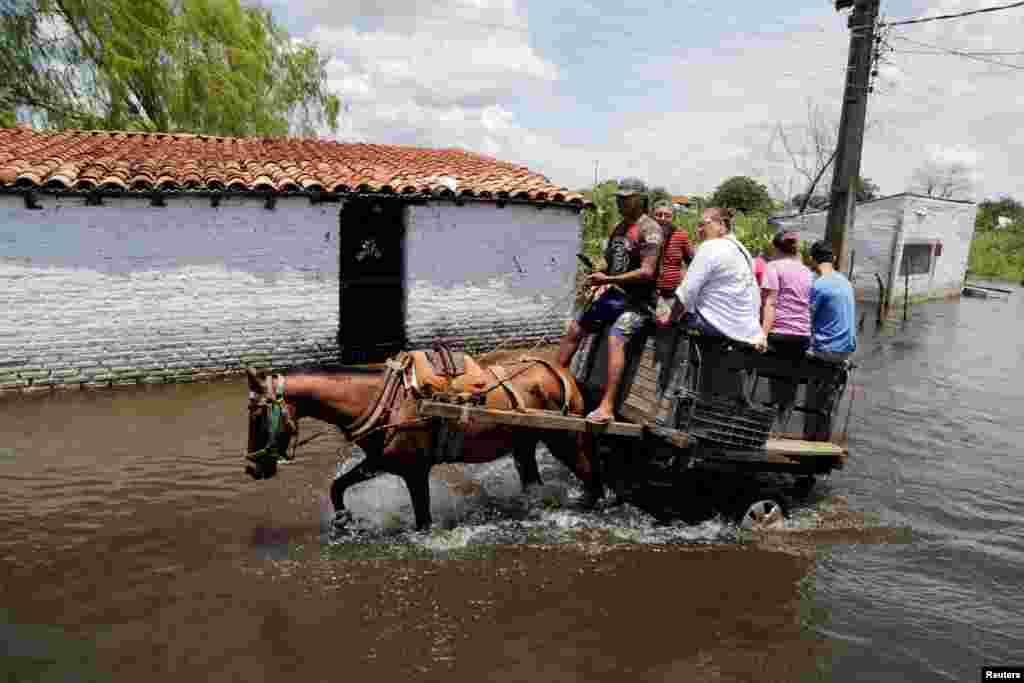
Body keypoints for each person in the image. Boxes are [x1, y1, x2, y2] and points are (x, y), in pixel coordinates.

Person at [558, 177, 664, 423]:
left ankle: (607, 406)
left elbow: (647, 271)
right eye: (619, 197)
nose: (620, 201)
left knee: (617, 337)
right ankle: (556, 378)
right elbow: (609, 259)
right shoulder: (619, 228)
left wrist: (605, 281)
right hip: (615, 296)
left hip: (640, 303)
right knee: (575, 328)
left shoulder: (650, 230)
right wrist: (597, 270)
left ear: (640, 199)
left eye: (626, 198)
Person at [673, 207, 766, 399]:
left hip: (719, 325)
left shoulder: (711, 246)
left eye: (703, 224)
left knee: (667, 324)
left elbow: (687, 292)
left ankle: (668, 392)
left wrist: (670, 317)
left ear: (721, 225)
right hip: (746, 328)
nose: (698, 229)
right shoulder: (741, 249)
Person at [760, 229, 813, 429]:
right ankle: (783, 428)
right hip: (802, 336)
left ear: (775, 247)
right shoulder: (807, 271)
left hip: (779, 334)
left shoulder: (773, 267)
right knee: (790, 383)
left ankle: (768, 428)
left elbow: (770, 303)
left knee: (773, 380)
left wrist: (763, 335)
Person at [805, 240, 857, 440]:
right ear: (833, 259)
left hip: (825, 351)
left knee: (794, 351)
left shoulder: (818, 285)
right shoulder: (846, 283)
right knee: (826, 403)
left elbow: (808, 320)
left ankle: (809, 434)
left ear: (812, 260)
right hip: (846, 351)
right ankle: (820, 433)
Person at [652, 201, 694, 327]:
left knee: (664, 331)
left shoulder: (681, 236)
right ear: (652, 216)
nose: (663, 219)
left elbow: (692, 262)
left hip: (669, 294)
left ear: (673, 218)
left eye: (667, 215)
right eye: (659, 215)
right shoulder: (645, 233)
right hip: (647, 292)